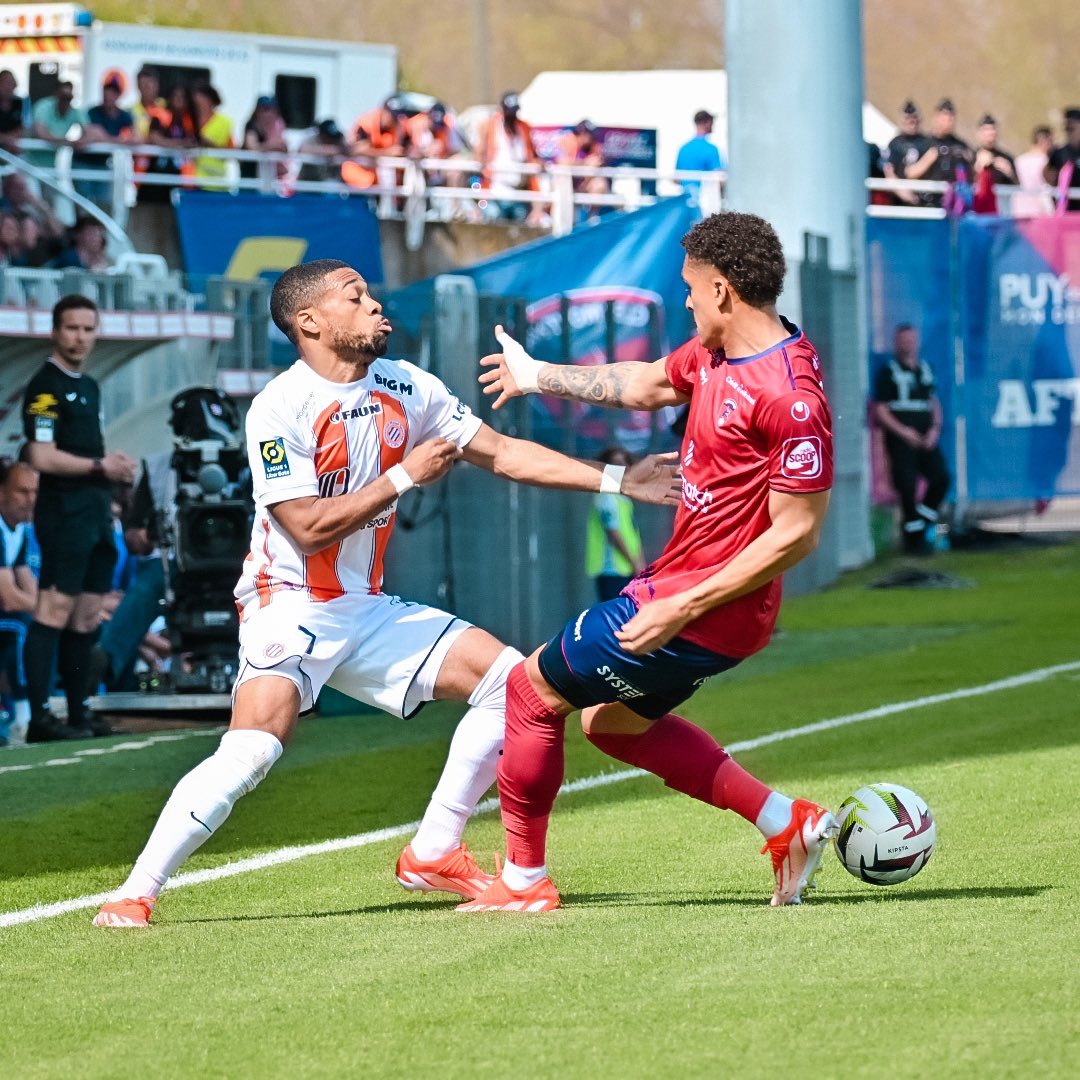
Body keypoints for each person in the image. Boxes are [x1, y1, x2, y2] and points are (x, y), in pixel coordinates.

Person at [91, 258, 680, 928]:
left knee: (514, 684)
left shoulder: (408, 385)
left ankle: (433, 850)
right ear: (309, 322)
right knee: (253, 747)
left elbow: (503, 452)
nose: (374, 306)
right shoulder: (278, 409)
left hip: (364, 606)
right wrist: (403, 478)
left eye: (371, 294)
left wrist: (618, 481)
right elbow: (307, 527)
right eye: (356, 297)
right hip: (288, 601)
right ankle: (135, 892)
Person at [462, 211, 837, 913]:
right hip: (689, 598)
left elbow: (796, 535)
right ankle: (785, 821)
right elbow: (642, 383)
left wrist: (681, 607)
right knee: (611, 722)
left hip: (699, 607)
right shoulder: (717, 355)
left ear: (723, 290)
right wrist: (537, 373)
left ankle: (521, 884)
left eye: (692, 288)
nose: (686, 300)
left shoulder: (791, 397)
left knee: (529, 692)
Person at [20, 295, 137, 743]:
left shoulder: (88, 385)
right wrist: (98, 467)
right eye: (72, 328)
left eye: (88, 329)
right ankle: (38, 718)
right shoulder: (45, 387)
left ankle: (77, 712)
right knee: (53, 611)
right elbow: (42, 456)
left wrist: (113, 471)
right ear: (55, 331)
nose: (80, 337)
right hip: (64, 513)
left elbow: (89, 454)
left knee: (86, 617)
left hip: (95, 513)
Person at [872, 324, 951, 556]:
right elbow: (881, 409)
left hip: (926, 437)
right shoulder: (889, 372)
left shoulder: (926, 369)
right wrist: (904, 432)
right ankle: (913, 540)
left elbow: (933, 402)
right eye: (903, 340)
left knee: (941, 479)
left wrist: (935, 430)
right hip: (901, 438)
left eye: (911, 339)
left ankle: (921, 524)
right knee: (906, 486)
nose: (907, 344)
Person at [0, 458, 39, 746]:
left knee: (42, 626)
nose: (30, 500)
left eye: (34, 492)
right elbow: (10, 598)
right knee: (20, 627)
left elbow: (27, 583)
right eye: (22, 492)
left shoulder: (20, 530)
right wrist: (46, 610)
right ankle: (23, 718)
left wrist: (49, 613)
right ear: (1, 493)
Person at [478, 92, 545, 224]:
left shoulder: (523, 128)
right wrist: (484, 168)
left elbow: (533, 156)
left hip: (518, 191)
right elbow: (480, 152)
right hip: (495, 189)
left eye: (514, 111)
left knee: (519, 223)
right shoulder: (491, 126)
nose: (511, 116)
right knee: (493, 218)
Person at [588, 446, 644, 601]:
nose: (621, 467)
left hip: (626, 568)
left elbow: (632, 533)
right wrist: (636, 564)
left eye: (623, 462)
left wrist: (640, 563)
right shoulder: (606, 497)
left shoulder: (623, 499)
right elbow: (614, 533)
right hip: (611, 570)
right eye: (615, 463)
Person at [73, 76, 135, 210]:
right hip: (84, 163)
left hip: (103, 164)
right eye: (106, 95)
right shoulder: (93, 112)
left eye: (112, 95)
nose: (108, 98)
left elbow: (135, 138)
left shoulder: (124, 116)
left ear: (118, 96)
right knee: (82, 204)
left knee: (103, 204)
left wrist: (105, 138)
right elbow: (92, 133)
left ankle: (98, 230)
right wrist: (117, 140)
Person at [884, 101, 935, 206]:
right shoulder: (895, 143)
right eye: (908, 119)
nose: (912, 122)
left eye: (914, 118)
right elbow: (889, 171)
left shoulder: (927, 142)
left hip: (924, 200)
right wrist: (903, 193)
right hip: (899, 201)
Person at [190, 82, 235, 188]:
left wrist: (209, 144)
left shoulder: (224, 123)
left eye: (200, 98)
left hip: (214, 183)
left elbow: (232, 152)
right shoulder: (189, 119)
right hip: (189, 180)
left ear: (210, 99)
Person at [675, 109, 726, 197]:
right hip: (704, 201)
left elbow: (676, 179)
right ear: (706, 122)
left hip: (685, 202)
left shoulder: (683, 149)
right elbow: (719, 179)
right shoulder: (711, 149)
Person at [971, 113, 1016, 213]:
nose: (990, 133)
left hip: (1001, 211)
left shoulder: (1005, 158)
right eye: (986, 130)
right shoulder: (971, 156)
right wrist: (977, 167)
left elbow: (1017, 186)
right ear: (979, 133)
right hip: (977, 209)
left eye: (992, 129)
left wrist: (1009, 172)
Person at [241, 95, 289, 182]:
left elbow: (284, 148)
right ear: (257, 111)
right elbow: (252, 147)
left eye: (272, 110)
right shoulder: (252, 126)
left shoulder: (278, 126)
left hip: (270, 175)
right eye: (265, 110)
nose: (268, 114)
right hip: (252, 173)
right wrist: (272, 145)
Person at [1012, 125, 1055, 218]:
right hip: (1040, 213)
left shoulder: (1019, 160)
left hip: (1019, 211)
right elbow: (1046, 190)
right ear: (1045, 141)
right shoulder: (1045, 161)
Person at [1045, 107, 1080, 212]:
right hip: (1067, 208)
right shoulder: (1059, 152)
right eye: (1068, 128)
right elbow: (1049, 176)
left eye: (1073, 128)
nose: (1070, 132)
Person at [0, 68, 25, 151]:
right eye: (4, 83)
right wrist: (5, 139)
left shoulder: (19, 102)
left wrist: (12, 138)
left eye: (10, 83)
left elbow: (22, 126)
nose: (7, 87)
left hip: (12, 150)